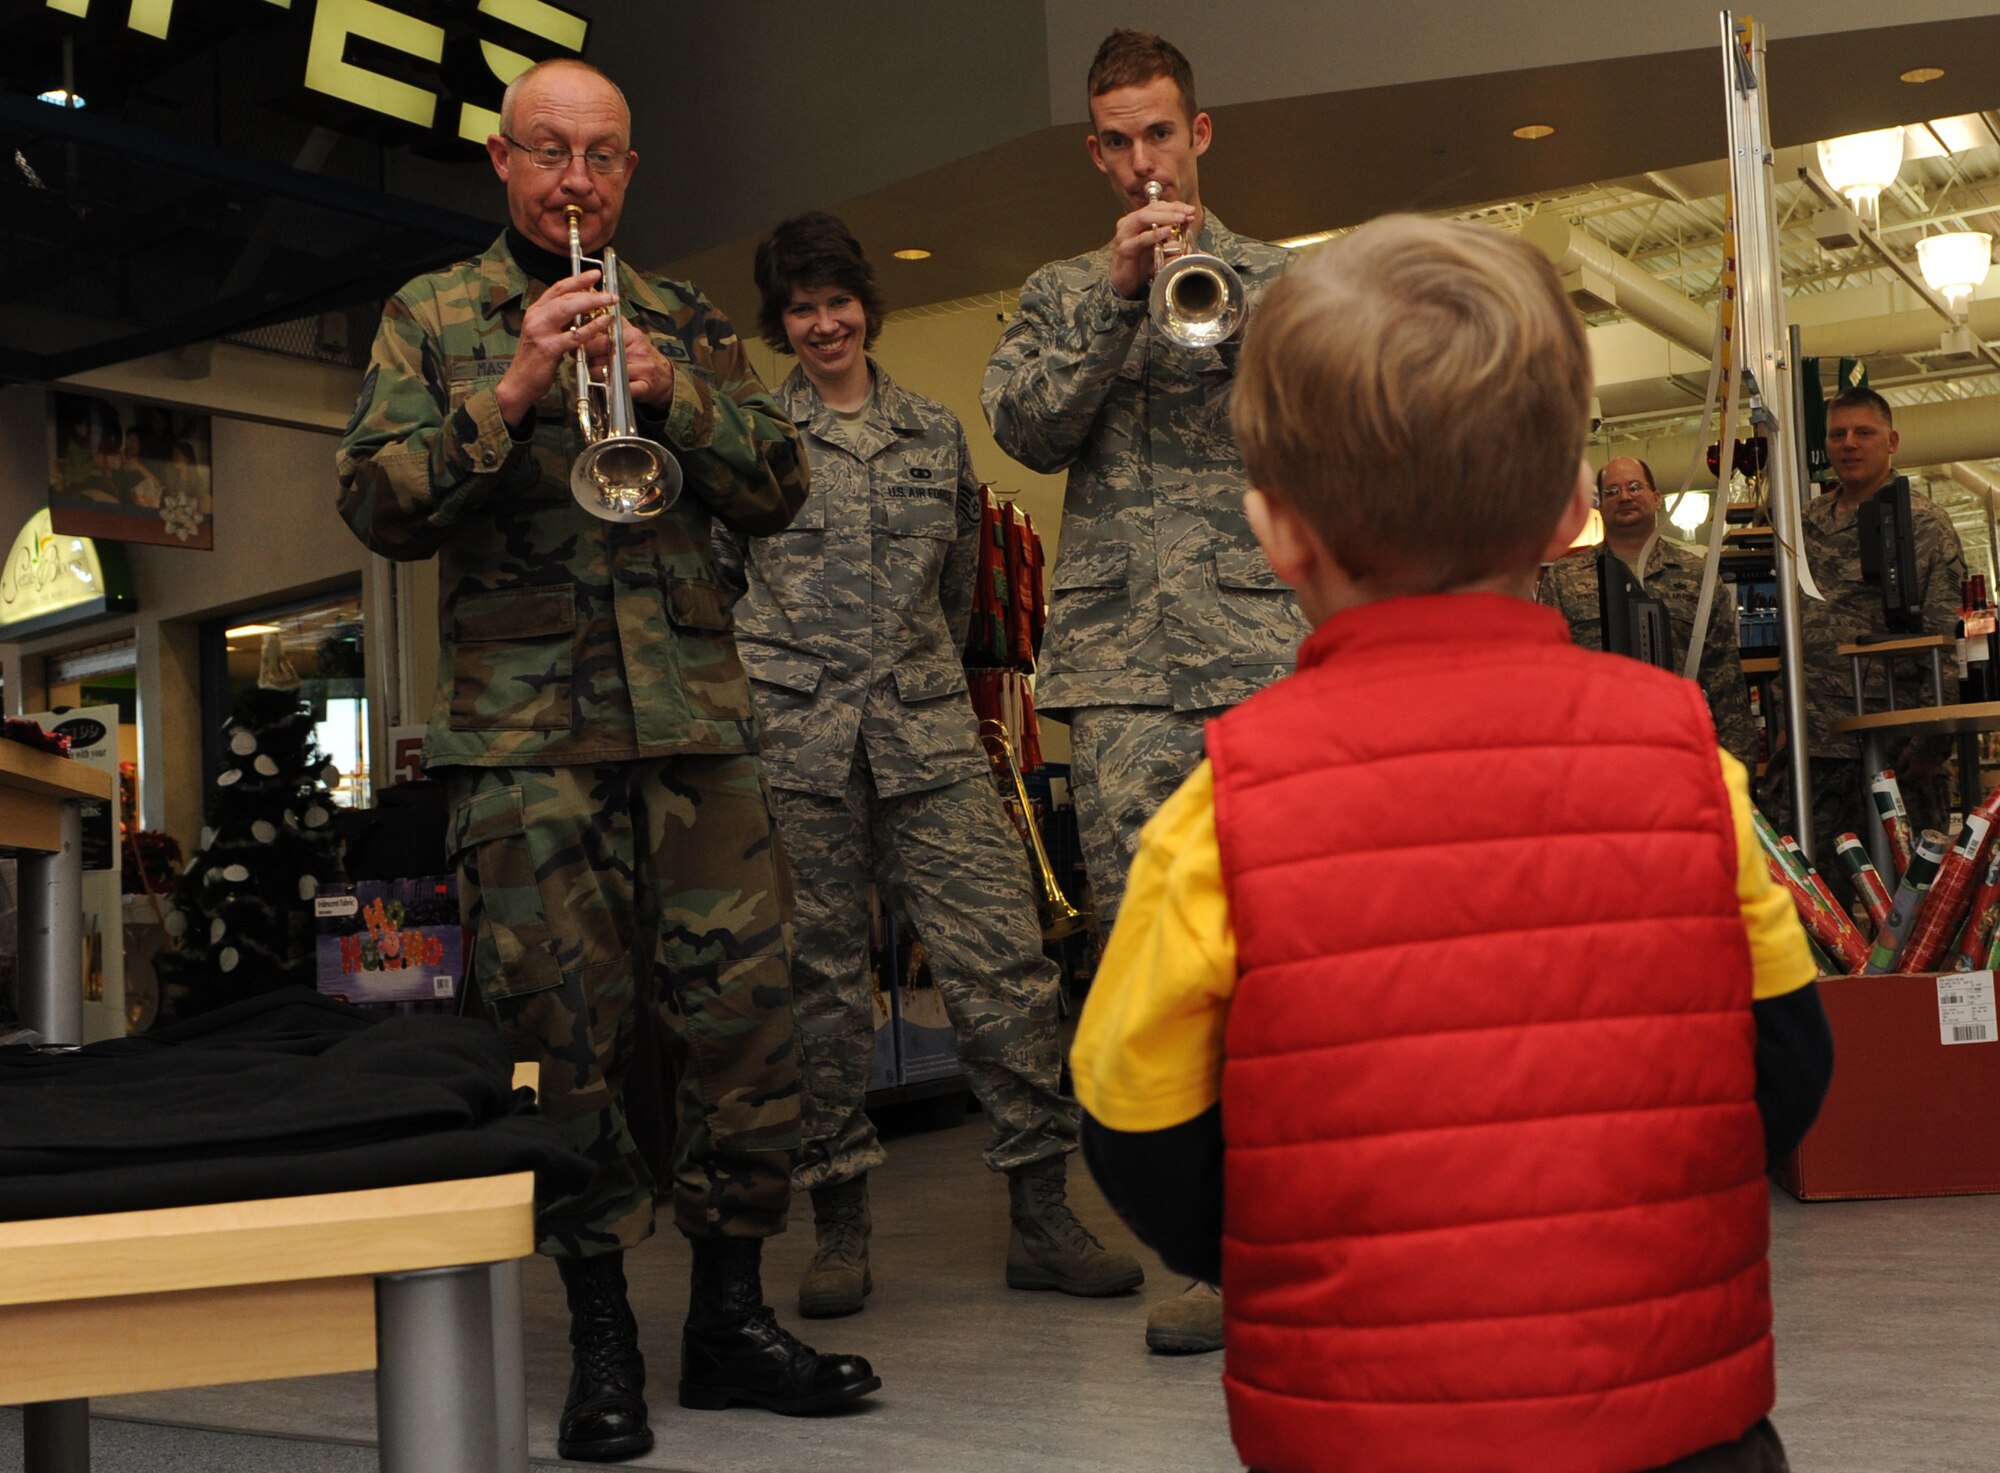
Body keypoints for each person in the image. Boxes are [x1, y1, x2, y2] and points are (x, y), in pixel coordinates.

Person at [1071, 215, 1834, 1473]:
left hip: (1363, 1425)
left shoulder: (1219, 811)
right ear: (1572, 514)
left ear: (1276, 538)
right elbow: (1785, 1067)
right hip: (1675, 1422)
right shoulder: (1686, 762)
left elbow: (1139, 1137)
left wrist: (1295, 1254)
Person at [334, 57, 876, 1464]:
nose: (578, 181)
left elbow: (778, 485)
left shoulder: (687, 318)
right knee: (564, 1041)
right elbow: (379, 507)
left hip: (699, 731)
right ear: (504, 164)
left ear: (629, 174)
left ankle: (730, 1321)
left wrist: (674, 393)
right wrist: (513, 385)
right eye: (552, 154)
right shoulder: (433, 317)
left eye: (605, 158)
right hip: (525, 748)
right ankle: (604, 1342)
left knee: (741, 1033)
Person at [715, 211, 1143, 1321]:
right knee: (820, 990)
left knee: (1004, 965)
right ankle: (840, 1225)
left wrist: (908, 680)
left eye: (835, 302)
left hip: (926, 737)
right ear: (781, 325)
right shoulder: (754, 431)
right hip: (801, 744)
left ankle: (1042, 1215)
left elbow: (957, 593)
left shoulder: (932, 432)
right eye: (800, 309)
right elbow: (721, 584)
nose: (822, 324)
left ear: (867, 305)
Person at [981, 24, 1305, 1356]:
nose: (1138, 163)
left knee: (1288, 951)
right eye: (1114, 141)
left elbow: (1321, 429)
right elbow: (1025, 430)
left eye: (1158, 134)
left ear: (1200, 134)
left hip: (1265, 661)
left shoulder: (1279, 280)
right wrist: (1122, 304)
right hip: (1121, 677)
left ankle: (1301, 1232)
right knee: (1148, 951)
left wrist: (1221, 303)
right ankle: (1210, 1247)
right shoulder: (1062, 292)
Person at [1797, 388, 1966, 903]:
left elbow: (1949, 638)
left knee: (1913, 908)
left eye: (1863, 432)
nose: (1849, 444)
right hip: (1816, 750)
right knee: (1818, 908)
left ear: (1891, 441)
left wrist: (1933, 743)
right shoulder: (1806, 522)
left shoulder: (1923, 523)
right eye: (1837, 434)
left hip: (1896, 748)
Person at [1538, 456, 1761, 771]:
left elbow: (1724, 674)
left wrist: (1740, 767)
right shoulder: (1565, 577)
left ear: (1657, 499)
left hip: (1679, 749)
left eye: (1634, 487)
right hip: (1594, 754)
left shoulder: (1697, 574)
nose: (1624, 496)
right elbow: (1549, 677)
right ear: (1599, 505)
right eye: (1612, 491)